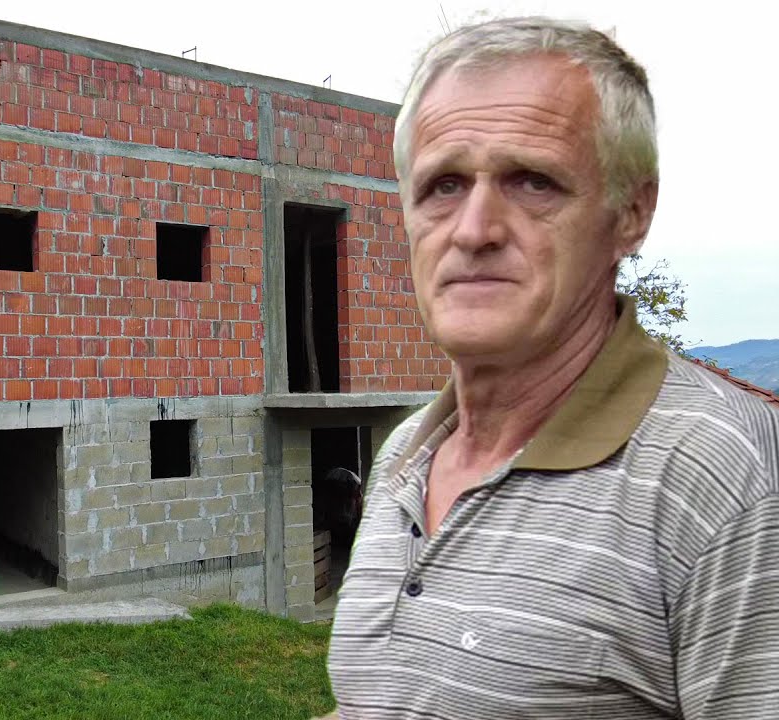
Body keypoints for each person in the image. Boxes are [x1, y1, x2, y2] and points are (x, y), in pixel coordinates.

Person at [324, 16, 779, 720]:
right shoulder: (404, 456)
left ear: (631, 213)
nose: (474, 229)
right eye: (443, 185)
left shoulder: (719, 473)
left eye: (533, 182)